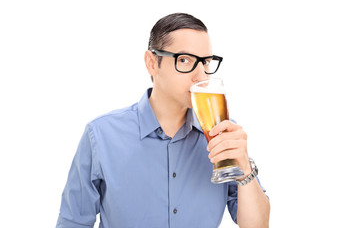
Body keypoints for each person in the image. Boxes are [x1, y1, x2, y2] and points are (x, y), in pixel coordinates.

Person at [56, 13, 270, 228]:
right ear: (151, 63)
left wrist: (245, 167)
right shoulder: (101, 135)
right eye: (184, 60)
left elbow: (257, 225)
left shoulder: (223, 134)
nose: (201, 76)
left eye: (205, 62)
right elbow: (73, 222)